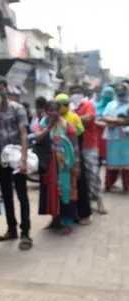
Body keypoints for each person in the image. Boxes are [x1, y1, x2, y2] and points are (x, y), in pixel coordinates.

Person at [0, 75, 32, 251]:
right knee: (7, 196)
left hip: (16, 158)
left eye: (1, 89)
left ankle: (25, 233)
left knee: (22, 196)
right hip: (1, 159)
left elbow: (24, 134)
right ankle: (11, 229)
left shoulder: (17, 108)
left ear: (6, 88)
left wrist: (24, 159)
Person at [34, 100, 80, 234]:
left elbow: (75, 146)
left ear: (60, 111)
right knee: (50, 191)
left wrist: (77, 164)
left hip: (65, 165)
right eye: (50, 110)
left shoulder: (68, 126)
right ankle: (55, 219)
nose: (53, 113)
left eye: (55, 110)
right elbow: (37, 139)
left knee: (65, 191)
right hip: (48, 164)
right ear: (46, 111)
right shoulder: (41, 124)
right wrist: (48, 128)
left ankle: (67, 222)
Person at [69, 85, 108, 214]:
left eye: (78, 92)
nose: (76, 94)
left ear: (83, 93)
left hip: (89, 145)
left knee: (93, 173)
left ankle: (99, 201)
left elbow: (89, 119)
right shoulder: (69, 106)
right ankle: (84, 203)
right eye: (73, 92)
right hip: (73, 146)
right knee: (77, 176)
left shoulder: (88, 105)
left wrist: (71, 119)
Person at [56, 93, 92, 224]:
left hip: (74, 153)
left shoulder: (74, 117)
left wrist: (75, 158)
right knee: (62, 186)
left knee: (80, 182)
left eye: (65, 104)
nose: (62, 107)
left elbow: (79, 136)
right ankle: (63, 216)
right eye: (59, 105)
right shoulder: (54, 117)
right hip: (59, 156)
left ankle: (84, 214)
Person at [101, 83, 129, 192]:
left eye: (122, 90)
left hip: (126, 138)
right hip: (113, 138)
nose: (120, 92)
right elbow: (104, 117)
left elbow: (127, 121)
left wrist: (115, 121)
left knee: (127, 164)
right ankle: (108, 185)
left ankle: (126, 187)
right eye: (118, 90)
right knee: (112, 162)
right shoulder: (111, 104)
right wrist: (119, 121)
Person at [95, 86, 115, 164]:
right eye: (106, 93)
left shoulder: (114, 106)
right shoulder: (96, 106)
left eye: (110, 93)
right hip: (97, 132)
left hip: (111, 132)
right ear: (102, 94)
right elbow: (93, 118)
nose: (107, 95)